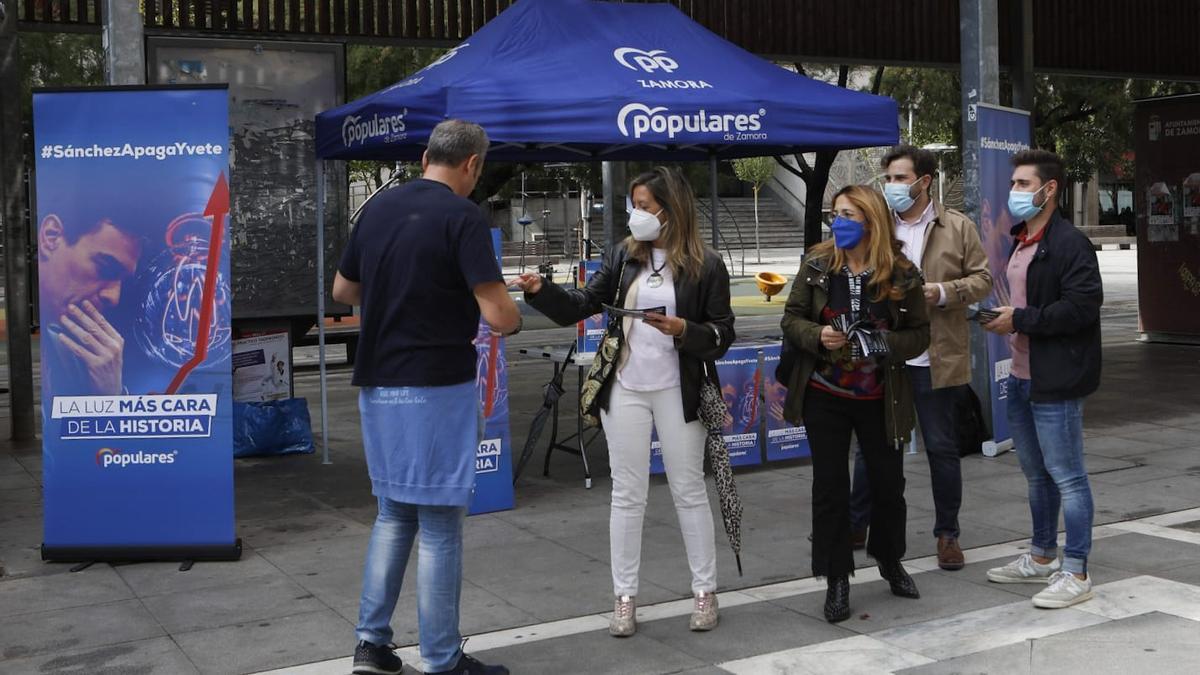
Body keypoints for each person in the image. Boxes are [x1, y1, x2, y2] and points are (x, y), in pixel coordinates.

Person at [512, 166, 734, 637]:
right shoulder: (622, 256)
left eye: (646, 206)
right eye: (633, 205)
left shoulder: (706, 264)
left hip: (680, 390)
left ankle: (704, 591)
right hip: (626, 389)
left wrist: (684, 331)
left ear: (672, 211)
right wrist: (541, 292)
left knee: (688, 490)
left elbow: (722, 334)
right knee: (627, 494)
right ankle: (625, 598)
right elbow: (581, 304)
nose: (636, 215)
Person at [332, 119, 519, 675]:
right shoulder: (462, 217)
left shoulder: (379, 210)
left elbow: (343, 291)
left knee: (393, 513)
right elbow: (499, 315)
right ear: (472, 165)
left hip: (379, 380)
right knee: (439, 522)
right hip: (437, 383)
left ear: (423, 157)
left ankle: (372, 645)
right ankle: (441, 659)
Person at [780, 185, 930, 623]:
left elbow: (920, 333)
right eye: (835, 213)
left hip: (881, 397)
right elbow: (791, 319)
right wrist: (818, 335)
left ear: (871, 221)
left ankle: (889, 559)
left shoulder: (901, 272)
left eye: (848, 214)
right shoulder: (817, 264)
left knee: (887, 486)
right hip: (824, 394)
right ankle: (837, 578)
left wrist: (883, 341)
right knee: (829, 489)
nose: (838, 221)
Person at [847, 146, 993, 571]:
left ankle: (947, 534)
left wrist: (943, 292)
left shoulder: (957, 227)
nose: (891, 187)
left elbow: (983, 278)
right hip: (884, 357)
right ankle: (858, 523)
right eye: (888, 178)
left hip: (936, 355)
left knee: (942, 449)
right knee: (872, 447)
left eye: (899, 178)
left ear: (924, 181)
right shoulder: (876, 227)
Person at [983, 149, 1102, 609]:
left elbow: (1081, 307)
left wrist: (1021, 319)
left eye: (1022, 184)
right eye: (1013, 184)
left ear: (1049, 190)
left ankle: (1077, 570)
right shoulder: (1023, 240)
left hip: (1057, 380)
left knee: (1068, 477)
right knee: (1037, 476)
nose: (1013, 192)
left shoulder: (1071, 243)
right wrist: (1004, 318)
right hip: (1021, 375)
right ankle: (1041, 556)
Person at [37, 212, 141, 396]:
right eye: (105, 268)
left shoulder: (81, 357)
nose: (114, 297)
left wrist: (110, 398)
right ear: (50, 237)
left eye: (122, 282)